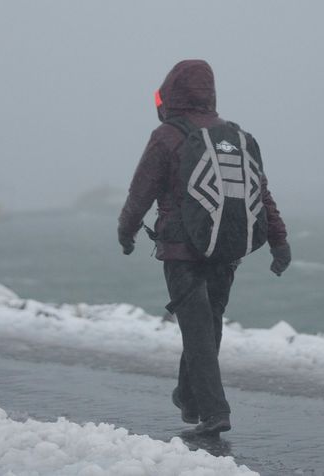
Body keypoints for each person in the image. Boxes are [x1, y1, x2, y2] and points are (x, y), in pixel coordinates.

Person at [118, 59, 291, 436]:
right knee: (206, 327)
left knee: (198, 330)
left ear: (169, 94)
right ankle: (189, 397)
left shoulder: (167, 136)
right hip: (226, 247)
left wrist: (126, 231)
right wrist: (280, 242)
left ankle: (215, 412)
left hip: (182, 250)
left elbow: (140, 192)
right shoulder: (237, 135)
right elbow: (262, 193)